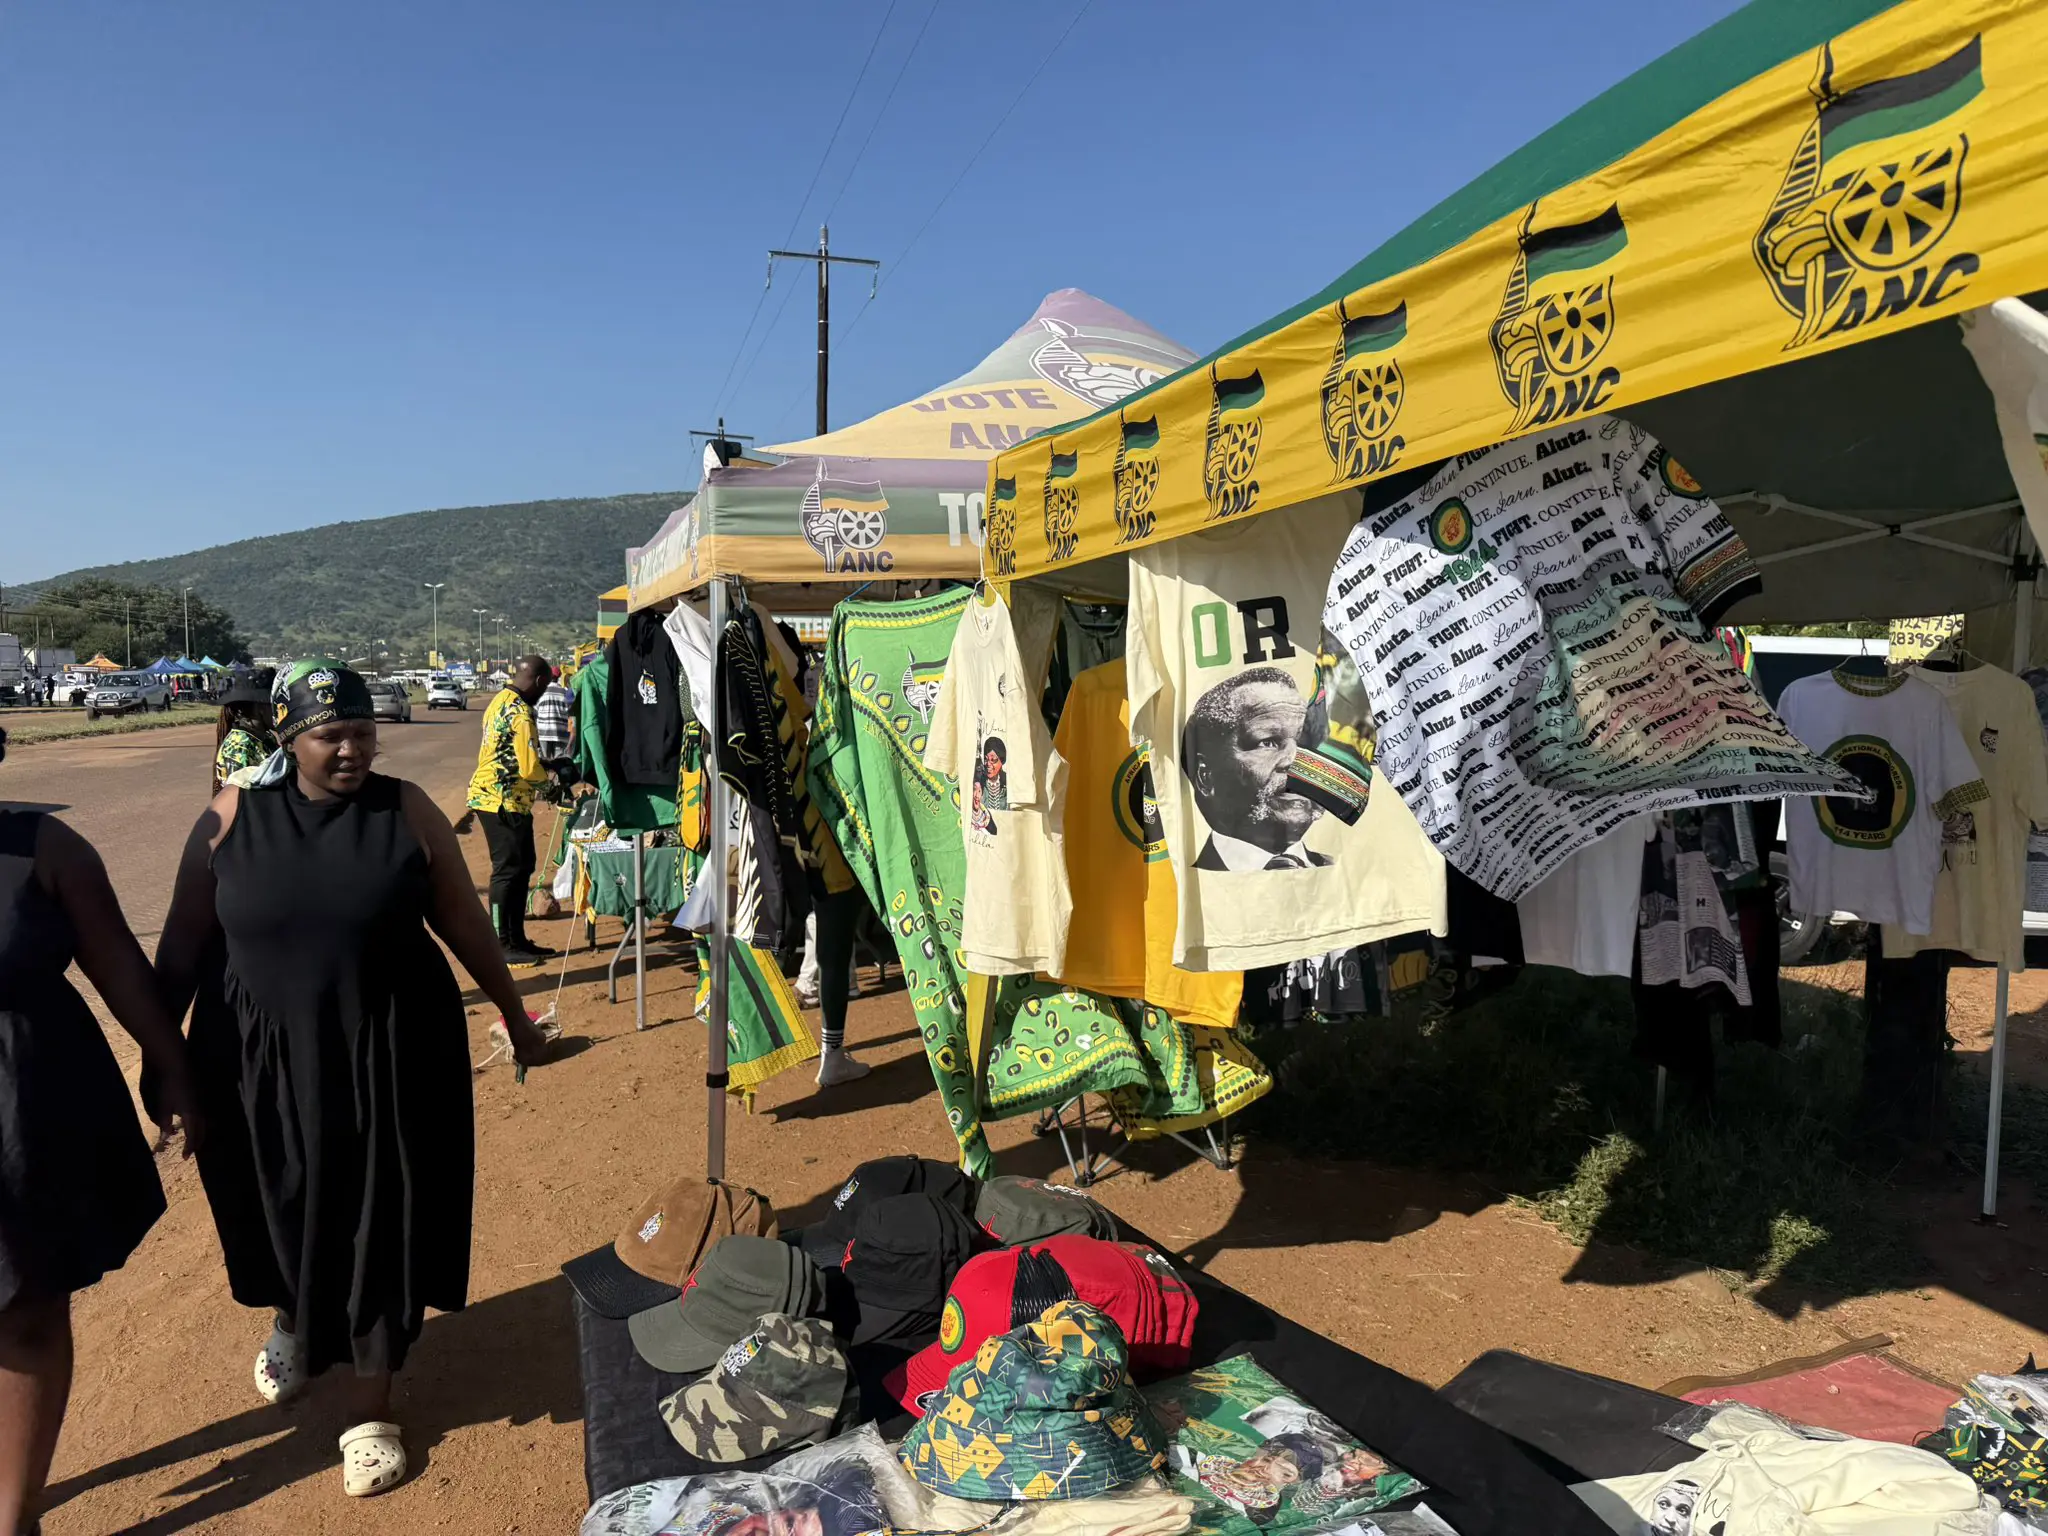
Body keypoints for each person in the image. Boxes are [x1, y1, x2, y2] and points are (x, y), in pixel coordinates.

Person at [154, 661, 550, 1499]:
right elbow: (183, 946)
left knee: (380, 1219)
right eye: (332, 735)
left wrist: (515, 1014)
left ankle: (369, 1407)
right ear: (289, 736)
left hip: (388, 1056)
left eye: (363, 733)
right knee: (278, 1203)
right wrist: (164, 1059)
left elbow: (464, 922)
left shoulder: (403, 811)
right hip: (258, 1063)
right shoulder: (231, 817)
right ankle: (296, 1318)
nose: (351, 750)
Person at [0, 724, 203, 1535]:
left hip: (27, 1105)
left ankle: (13, 1516)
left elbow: (120, 965)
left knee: (26, 1308)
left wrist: (173, 1073)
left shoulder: (47, 848)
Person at [1182, 667, 1332, 871]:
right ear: (1205, 777)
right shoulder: (1190, 884)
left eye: (1305, 742)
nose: (1297, 761)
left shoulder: (1350, 873)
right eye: (1267, 742)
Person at [467, 655, 554, 966]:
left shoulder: (499, 700)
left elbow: (508, 752)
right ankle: (500, 942)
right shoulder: (520, 712)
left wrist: (549, 766)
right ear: (541, 682)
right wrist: (552, 788)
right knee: (508, 871)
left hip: (502, 797)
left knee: (523, 867)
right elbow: (529, 768)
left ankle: (516, 938)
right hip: (501, 800)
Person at [212, 668, 278, 793]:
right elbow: (243, 798)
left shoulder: (265, 737)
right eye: (274, 705)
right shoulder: (240, 747)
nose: (280, 710)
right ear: (260, 708)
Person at [535, 665, 575, 787]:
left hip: (543, 733)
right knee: (560, 762)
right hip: (560, 733)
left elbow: (535, 712)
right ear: (558, 677)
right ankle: (559, 787)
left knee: (544, 762)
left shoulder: (540, 692)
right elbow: (570, 715)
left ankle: (545, 788)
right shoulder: (564, 693)